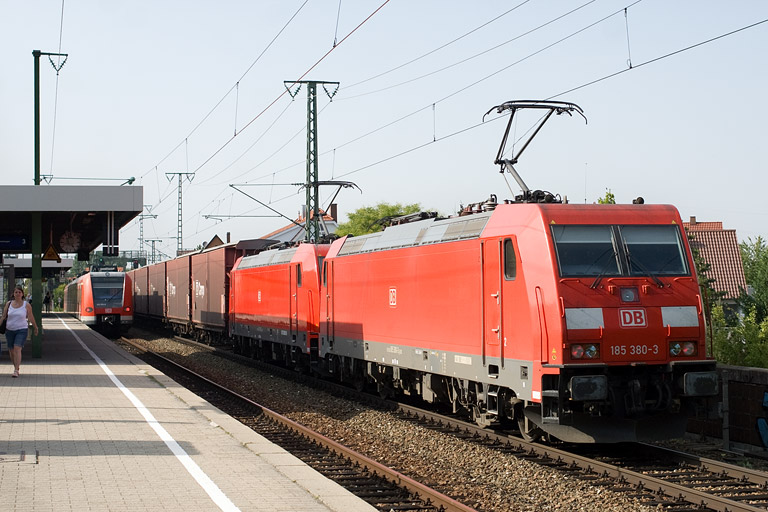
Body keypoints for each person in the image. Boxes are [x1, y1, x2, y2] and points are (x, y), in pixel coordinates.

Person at [0, 285, 39, 378]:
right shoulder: (9, 304)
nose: (17, 294)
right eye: (16, 292)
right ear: (13, 294)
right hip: (9, 330)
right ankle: (16, 367)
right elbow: (4, 316)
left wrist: (35, 327)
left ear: (22, 294)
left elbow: (30, 316)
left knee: (17, 348)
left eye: (19, 292)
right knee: (11, 350)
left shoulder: (26, 305)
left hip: (21, 330)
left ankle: (16, 370)